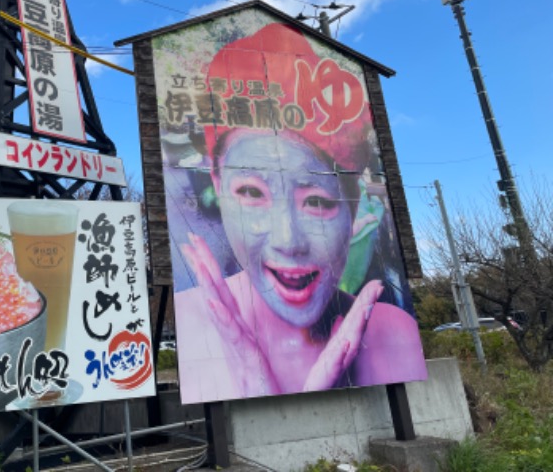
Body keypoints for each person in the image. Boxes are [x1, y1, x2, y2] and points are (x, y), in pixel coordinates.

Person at [171, 23, 426, 403]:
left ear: (353, 207)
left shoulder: (393, 334)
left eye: (318, 202)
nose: (288, 241)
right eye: (252, 193)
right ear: (218, 184)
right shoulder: (192, 325)